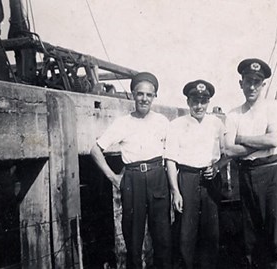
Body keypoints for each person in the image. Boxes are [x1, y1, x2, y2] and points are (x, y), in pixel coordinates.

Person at [90, 72, 171, 269]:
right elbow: (95, 150)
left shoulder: (162, 121)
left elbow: (172, 153)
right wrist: (114, 178)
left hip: (158, 177)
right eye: (140, 94)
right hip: (132, 180)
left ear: (154, 97)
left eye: (149, 95)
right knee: (133, 239)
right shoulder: (122, 123)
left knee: (163, 238)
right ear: (133, 94)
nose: (144, 99)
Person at [224, 58, 277, 268]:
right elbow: (228, 149)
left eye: (256, 81)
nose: (252, 86)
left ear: (263, 85)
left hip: (272, 174)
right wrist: (260, 141)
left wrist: (241, 138)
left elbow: (273, 140)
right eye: (248, 81)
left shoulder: (274, 107)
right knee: (251, 238)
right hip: (246, 175)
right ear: (241, 83)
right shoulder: (233, 114)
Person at [165, 79, 226, 269]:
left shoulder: (217, 123)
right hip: (187, 179)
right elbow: (170, 160)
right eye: (195, 101)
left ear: (208, 102)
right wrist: (175, 191)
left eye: (203, 101)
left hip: (211, 179)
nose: (199, 106)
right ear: (188, 102)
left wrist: (217, 167)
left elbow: (227, 153)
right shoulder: (176, 125)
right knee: (186, 232)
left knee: (211, 232)